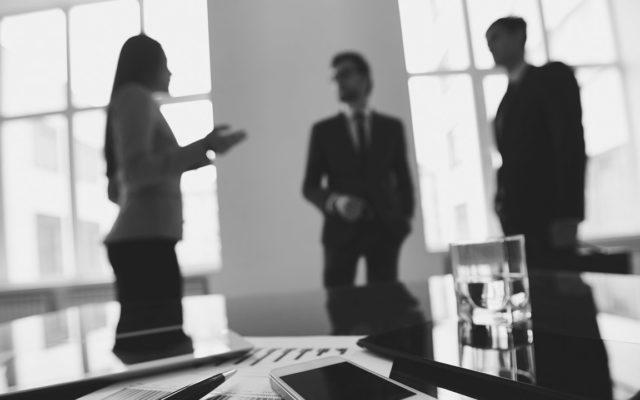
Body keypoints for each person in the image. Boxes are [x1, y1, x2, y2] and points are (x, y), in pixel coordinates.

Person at [103, 34, 246, 349]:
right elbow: (137, 172)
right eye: (165, 64)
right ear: (149, 65)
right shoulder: (135, 98)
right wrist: (202, 146)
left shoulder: (135, 100)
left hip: (145, 242)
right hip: (143, 246)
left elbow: (123, 182)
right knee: (157, 346)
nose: (170, 73)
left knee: (156, 344)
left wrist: (202, 151)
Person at [302, 51, 414, 287]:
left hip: (385, 231)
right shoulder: (323, 131)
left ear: (364, 77)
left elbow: (403, 179)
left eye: (345, 74)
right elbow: (309, 187)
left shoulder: (391, 127)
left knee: (386, 309)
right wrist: (336, 202)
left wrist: (403, 221)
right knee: (340, 308)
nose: (338, 81)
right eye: (334, 77)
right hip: (339, 234)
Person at [485, 17, 586, 264]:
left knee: (561, 285)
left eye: (496, 37)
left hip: (550, 212)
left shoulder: (551, 77)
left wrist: (568, 213)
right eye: (487, 41)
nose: (490, 46)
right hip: (517, 217)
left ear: (519, 35)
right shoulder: (507, 99)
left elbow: (570, 143)